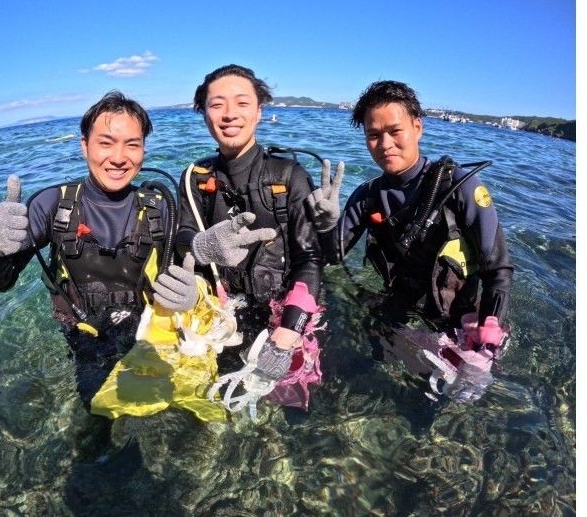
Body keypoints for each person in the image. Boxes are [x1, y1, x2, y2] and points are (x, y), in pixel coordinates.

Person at [0, 90, 228, 420]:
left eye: (132, 144)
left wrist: (199, 270)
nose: (119, 157)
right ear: (85, 146)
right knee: (96, 422)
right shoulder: (53, 205)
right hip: (84, 337)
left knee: (189, 411)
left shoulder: (159, 207)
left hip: (146, 331)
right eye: (106, 142)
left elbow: (186, 256)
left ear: (143, 151)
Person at [308, 80, 514, 403]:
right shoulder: (367, 197)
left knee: (441, 402)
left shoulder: (460, 187)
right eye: (373, 135)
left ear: (418, 127)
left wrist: (487, 339)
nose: (384, 144)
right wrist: (324, 225)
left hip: (460, 317)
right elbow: (330, 256)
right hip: (400, 306)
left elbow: (499, 269)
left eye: (395, 131)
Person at [157, 64, 326, 416]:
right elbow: (182, 238)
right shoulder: (194, 178)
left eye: (241, 103)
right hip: (225, 309)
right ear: (203, 114)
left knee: (292, 407)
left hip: (284, 308)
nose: (229, 114)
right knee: (212, 403)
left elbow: (309, 260)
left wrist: (286, 336)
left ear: (259, 111)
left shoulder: (290, 176)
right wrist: (201, 246)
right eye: (216, 104)